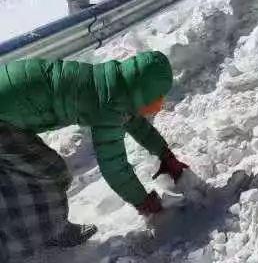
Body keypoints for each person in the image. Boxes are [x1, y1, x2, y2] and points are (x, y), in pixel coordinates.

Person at [0, 51, 187, 260]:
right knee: (50, 173)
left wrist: (165, 154)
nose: (155, 107)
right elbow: (114, 166)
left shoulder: (113, 83)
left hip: (9, 98)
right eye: (154, 101)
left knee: (15, 173)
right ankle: (40, 235)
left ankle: (42, 225)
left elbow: (134, 122)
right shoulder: (109, 104)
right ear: (142, 92)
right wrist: (143, 202)